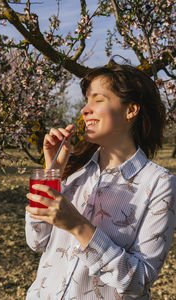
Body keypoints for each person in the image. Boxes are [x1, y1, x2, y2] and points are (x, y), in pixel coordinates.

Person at [25, 60, 176, 300]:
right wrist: (52, 169)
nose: (85, 109)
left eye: (98, 99)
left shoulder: (159, 183)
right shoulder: (74, 171)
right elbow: (36, 240)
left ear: (131, 110)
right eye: (86, 100)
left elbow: (138, 281)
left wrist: (78, 226)